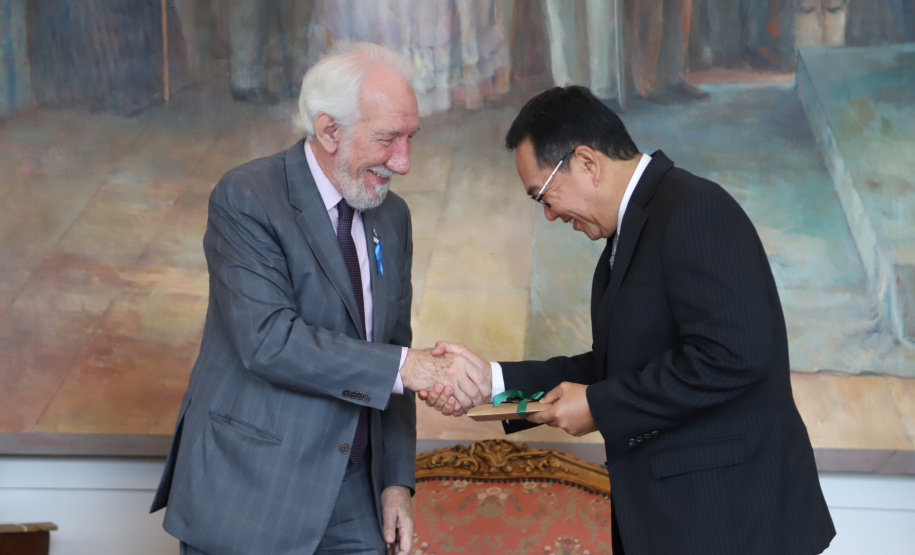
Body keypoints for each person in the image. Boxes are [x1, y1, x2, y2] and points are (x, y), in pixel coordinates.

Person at [423, 85, 835, 554]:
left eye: (544, 196)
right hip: (677, 521)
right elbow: (620, 365)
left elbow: (734, 357)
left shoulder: (693, 209)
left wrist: (600, 405)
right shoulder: (632, 231)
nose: (550, 214)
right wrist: (492, 382)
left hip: (729, 521)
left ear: (586, 163)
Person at [150, 42, 490, 555]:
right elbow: (268, 341)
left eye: (410, 138)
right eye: (388, 140)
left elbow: (395, 347)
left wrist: (396, 482)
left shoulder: (392, 218)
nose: (404, 162)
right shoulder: (247, 197)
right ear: (330, 130)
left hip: (355, 495)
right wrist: (413, 368)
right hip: (252, 490)